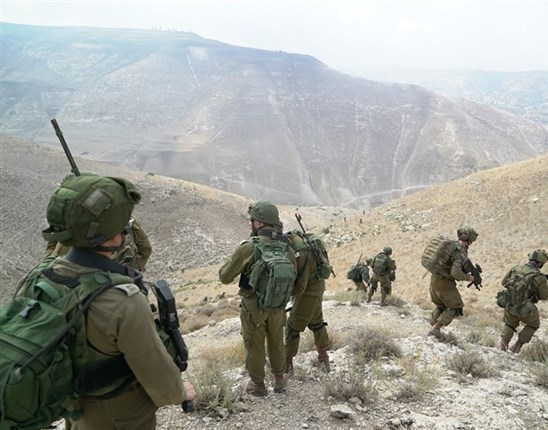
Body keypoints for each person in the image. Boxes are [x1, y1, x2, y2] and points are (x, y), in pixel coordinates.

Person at [31, 174, 195, 429]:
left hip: (72, 407)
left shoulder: (39, 280)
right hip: (121, 414)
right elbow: (157, 375)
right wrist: (181, 392)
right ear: (112, 235)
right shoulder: (123, 302)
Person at [218, 201, 296, 396]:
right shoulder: (286, 247)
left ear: (259, 223)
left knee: (254, 343)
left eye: (252, 220)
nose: (250, 223)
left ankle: (257, 384)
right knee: (277, 341)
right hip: (278, 305)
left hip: (254, 306)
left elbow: (225, 276)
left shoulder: (249, 247)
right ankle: (279, 379)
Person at [285, 230, 331, 373]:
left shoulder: (299, 249)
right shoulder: (307, 242)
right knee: (317, 322)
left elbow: (300, 286)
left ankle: (287, 364)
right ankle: (324, 358)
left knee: (292, 327)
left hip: (308, 292)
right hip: (318, 287)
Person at [45, 216, 152, 272]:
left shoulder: (69, 220)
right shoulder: (123, 219)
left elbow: (53, 243)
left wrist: (48, 260)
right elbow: (145, 249)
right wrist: (133, 269)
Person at [428, 227, 478, 339]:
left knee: (441, 306)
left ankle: (432, 328)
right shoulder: (460, 251)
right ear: (469, 239)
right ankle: (436, 328)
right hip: (444, 283)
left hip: (434, 279)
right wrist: (468, 278)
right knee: (456, 307)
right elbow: (455, 272)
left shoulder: (451, 246)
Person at [499, 249, 548, 353]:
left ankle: (503, 348)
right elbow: (544, 296)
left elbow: (503, 282)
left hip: (510, 303)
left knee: (509, 324)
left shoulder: (515, 268)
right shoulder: (540, 277)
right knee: (533, 324)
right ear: (540, 263)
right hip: (526, 307)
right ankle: (516, 348)